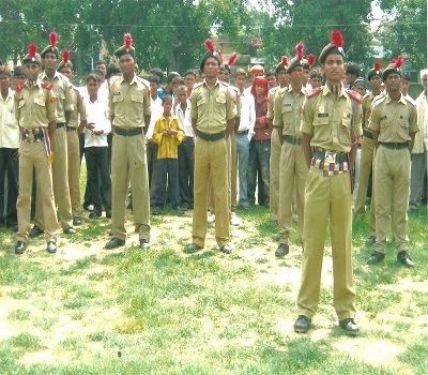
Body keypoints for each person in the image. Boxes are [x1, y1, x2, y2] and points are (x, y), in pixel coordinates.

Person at [294, 30, 362, 335]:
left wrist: (348, 173)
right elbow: (305, 140)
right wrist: (314, 168)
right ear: (322, 69)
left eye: (339, 62)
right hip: (319, 174)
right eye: (330, 62)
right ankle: (306, 310)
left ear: (345, 68)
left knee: (343, 245)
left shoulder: (356, 103)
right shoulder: (311, 101)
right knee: (313, 243)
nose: (335, 66)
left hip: (342, 176)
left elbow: (355, 143)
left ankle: (345, 311)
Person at [185, 39, 237, 254]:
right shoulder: (196, 92)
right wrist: (202, 137)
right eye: (208, 64)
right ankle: (198, 239)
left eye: (215, 64)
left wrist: (221, 138)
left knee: (221, 191)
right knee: (199, 190)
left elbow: (231, 120)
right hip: (202, 143)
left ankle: (223, 239)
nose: (212, 67)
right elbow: (194, 120)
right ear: (202, 69)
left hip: (219, 143)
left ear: (219, 68)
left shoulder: (227, 92)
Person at [367, 57, 418, 268]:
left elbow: (412, 134)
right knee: (381, 204)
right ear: (384, 83)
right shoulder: (378, 106)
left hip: (403, 154)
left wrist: (402, 150)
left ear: (401, 80)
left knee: (400, 205)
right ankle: (379, 247)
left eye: (397, 77)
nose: (394, 81)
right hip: (384, 153)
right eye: (390, 78)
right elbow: (374, 133)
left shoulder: (411, 106)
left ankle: (402, 250)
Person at [105, 34, 151, 250]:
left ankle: (143, 233)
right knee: (118, 186)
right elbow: (111, 114)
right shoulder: (113, 85)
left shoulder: (144, 86)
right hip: (119, 138)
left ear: (134, 62)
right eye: (121, 61)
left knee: (140, 186)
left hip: (136, 136)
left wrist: (139, 133)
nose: (124, 63)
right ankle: (118, 233)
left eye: (128, 60)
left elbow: (148, 114)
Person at [14, 43, 60, 254]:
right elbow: (18, 119)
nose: (31, 70)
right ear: (24, 70)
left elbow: (52, 121)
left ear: (40, 70)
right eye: (28, 66)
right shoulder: (19, 93)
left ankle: (52, 236)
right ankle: (22, 235)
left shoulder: (47, 91)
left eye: (35, 67)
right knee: (24, 194)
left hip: (42, 144)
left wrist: (47, 144)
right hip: (25, 145)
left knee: (47, 192)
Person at [31, 32, 75, 237]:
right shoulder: (37, 81)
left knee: (61, 176)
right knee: (43, 178)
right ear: (42, 60)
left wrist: (59, 126)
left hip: (58, 132)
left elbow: (68, 109)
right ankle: (41, 222)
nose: (50, 60)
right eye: (47, 57)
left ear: (57, 60)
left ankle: (66, 221)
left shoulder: (65, 82)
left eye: (53, 57)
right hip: (42, 135)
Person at [274, 43, 308, 257]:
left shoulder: (311, 97)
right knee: (284, 193)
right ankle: (283, 239)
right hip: (287, 146)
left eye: (301, 70)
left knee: (305, 195)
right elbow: (276, 124)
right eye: (294, 70)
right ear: (288, 74)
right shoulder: (280, 97)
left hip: (304, 148)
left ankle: (306, 239)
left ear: (305, 74)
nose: (297, 73)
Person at [354, 62, 383, 244]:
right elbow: (360, 119)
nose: (376, 81)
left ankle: (377, 212)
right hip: (367, 140)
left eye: (378, 78)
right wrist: (360, 137)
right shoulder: (365, 99)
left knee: (379, 179)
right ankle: (358, 210)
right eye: (373, 78)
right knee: (362, 176)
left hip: (381, 142)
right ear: (369, 81)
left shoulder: (385, 99)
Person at [58, 50, 87, 226]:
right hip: (56, 134)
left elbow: (83, 119)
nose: (67, 73)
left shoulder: (76, 92)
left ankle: (76, 212)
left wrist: (75, 134)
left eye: (69, 71)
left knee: (73, 175)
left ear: (73, 74)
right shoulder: (52, 89)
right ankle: (59, 211)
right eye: (64, 71)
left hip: (71, 133)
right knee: (57, 175)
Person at [83, 73, 111, 219]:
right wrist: (85, 125)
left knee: (105, 176)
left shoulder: (104, 103)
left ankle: (109, 207)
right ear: (87, 86)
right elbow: (78, 124)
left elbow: (110, 122)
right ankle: (97, 208)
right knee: (92, 177)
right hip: (89, 144)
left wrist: (103, 131)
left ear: (98, 86)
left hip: (102, 144)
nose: (92, 87)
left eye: (95, 84)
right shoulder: (83, 103)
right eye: (90, 84)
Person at [151, 95, 184, 213]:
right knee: (160, 180)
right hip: (162, 154)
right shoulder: (158, 121)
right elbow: (154, 136)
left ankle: (176, 203)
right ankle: (158, 204)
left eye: (170, 104)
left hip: (173, 154)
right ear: (162, 105)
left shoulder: (175, 120)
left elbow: (182, 133)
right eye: (166, 104)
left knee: (174, 180)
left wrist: (174, 133)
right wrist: (163, 134)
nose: (168, 106)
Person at [267, 56, 289, 218]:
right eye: (280, 73)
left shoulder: (299, 92)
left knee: (293, 174)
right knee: (275, 174)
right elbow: (269, 118)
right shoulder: (272, 94)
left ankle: (293, 211)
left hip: (292, 135)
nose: (283, 75)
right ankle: (275, 211)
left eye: (285, 72)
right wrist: (274, 134)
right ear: (276, 76)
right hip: (276, 133)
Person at [0, 65, 19, 230]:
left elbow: (21, 123)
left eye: (6, 77)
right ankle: (1, 218)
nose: (3, 81)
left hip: (13, 146)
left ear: (10, 80)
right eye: (0, 78)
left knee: (14, 184)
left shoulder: (16, 98)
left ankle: (13, 218)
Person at [235, 68, 256, 209]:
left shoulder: (250, 97)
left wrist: (249, 136)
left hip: (244, 136)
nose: (241, 81)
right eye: (238, 78)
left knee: (243, 170)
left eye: (243, 79)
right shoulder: (231, 94)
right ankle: (229, 199)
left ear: (246, 80)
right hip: (232, 135)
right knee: (230, 169)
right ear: (235, 80)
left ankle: (243, 199)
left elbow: (252, 117)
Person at [248, 77, 270, 207]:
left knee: (265, 171)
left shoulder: (269, 101)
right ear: (254, 87)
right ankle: (250, 199)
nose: (259, 88)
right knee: (251, 170)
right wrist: (258, 121)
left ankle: (266, 200)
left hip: (265, 139)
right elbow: (248, 118)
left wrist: (255, 121)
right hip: (252, 138)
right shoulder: (250, 100)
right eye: (257, 85)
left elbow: (267, 120)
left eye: (262, 86)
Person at [409, 69, 427, 209]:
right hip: (420, 142)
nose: (427, 81)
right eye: (425, 79)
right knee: (416, 174)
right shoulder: (418, 101)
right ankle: (414, 203)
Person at [175, 84, 195, 209]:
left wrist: (196, 145)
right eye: (180, 95)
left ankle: (194, 199)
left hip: (191, 140)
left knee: (193, 171)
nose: (182, 97)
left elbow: (196, 126)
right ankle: (185, 200)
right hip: (179, 141)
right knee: (182, 172)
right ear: (177, 96)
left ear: (187, 94)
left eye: (184, 94)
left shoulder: (193, 107)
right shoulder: (175, 108)